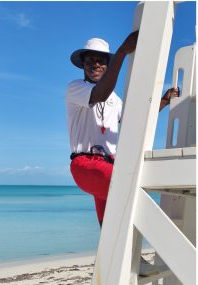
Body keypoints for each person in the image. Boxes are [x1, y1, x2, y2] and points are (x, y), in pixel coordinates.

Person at [66, 32, 180, 227]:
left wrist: (164, 100)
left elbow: (134, 121)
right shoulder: (75, 88)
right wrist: (121, 53)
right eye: (90, 60)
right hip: (86, 166)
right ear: (83, 64)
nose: (95, 64)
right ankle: (166, 234)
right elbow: (100, 93)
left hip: (109, 165)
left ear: (107, 65)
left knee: (110, 226)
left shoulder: (115, 100)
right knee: (133, 188)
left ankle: (111, 257)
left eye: (101, 60)